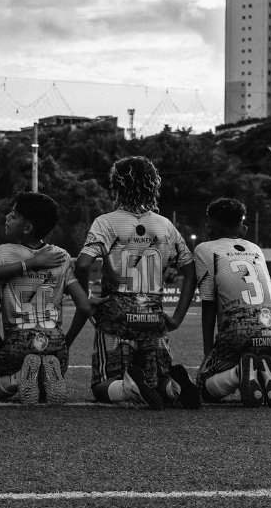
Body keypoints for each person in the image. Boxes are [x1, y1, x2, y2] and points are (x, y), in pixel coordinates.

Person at [72, 156, 200, 410]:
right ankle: (174, 388)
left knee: (103, 384)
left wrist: (86, 299)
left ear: (116, 185)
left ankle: (129, 387)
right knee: (158, 380)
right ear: (153, 185)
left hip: (116, 320)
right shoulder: (164, 225)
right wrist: (176, 318)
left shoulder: (107, 222)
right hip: (154, 320)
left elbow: (83, 264)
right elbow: (190, 270)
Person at [0, 192, 95, 404]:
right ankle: (42, 378)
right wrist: (66, 342)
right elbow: (85, 307)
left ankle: (16, 379)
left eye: (13, 215)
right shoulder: (61, 256)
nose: (7, 217)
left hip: (18, 341)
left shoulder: (4, 253)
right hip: (54, 343)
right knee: (42, 391)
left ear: (27, 228)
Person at [194, 197, 271, 406]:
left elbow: (208, 305)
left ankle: (238, 373)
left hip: (240, 328)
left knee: (203, 385)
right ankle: (260, 374)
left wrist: (208, 352)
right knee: (258, 365)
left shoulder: (205, 249)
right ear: (240, 224)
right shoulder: (255, 248)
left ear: (212, 223)